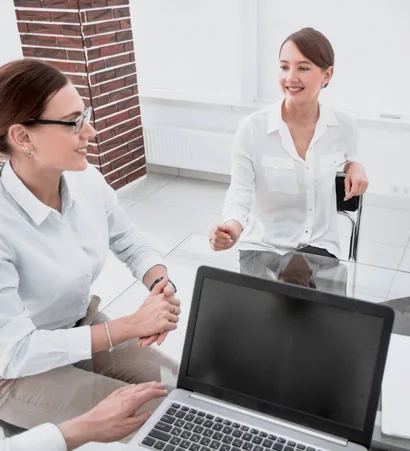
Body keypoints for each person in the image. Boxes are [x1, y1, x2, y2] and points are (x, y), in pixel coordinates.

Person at [0, 59, 181, 431]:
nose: (91, 132)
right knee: (147, 419)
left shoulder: (84, 180)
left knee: (181, 392)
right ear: (22, 137)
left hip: (80, 326)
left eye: (86, 116)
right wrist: (130, 325)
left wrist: (159, 286)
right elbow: (16, 351)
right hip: (14, 370)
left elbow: (129, 240)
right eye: (73, 123)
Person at [209, 27, 369, 260]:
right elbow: (240, 191)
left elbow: (349, 157)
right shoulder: (252, 129)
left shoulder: (343, 127)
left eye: (303, 68)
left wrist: (355, 165)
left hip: (319, 249)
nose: (290, 78)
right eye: (284, 67)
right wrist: (232, 228)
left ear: (327, 75)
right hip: (263, 247)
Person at [1, 381, 167, 451]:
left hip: (74, 325)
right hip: (12, 371)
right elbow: (18, 351)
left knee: (176, 390)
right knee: (157, 416)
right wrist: (89, 426)